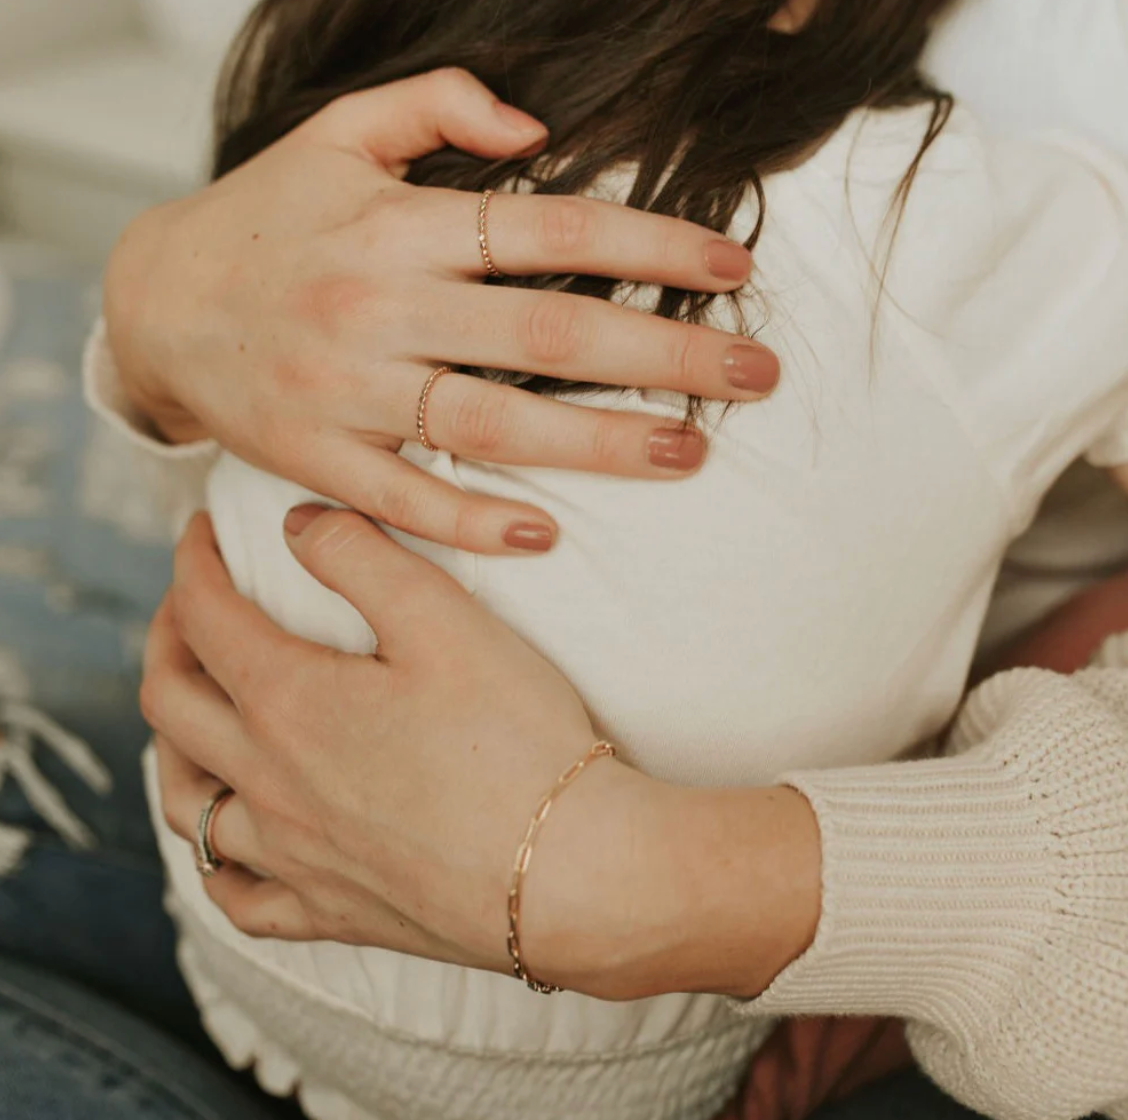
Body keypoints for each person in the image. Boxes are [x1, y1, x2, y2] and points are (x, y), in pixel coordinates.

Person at [87, 0, 1128, 1118]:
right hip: (253, 911)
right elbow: (229, 450)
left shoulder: (966, 213)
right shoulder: (374, 78)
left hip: (330, 952)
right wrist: (153, 312)